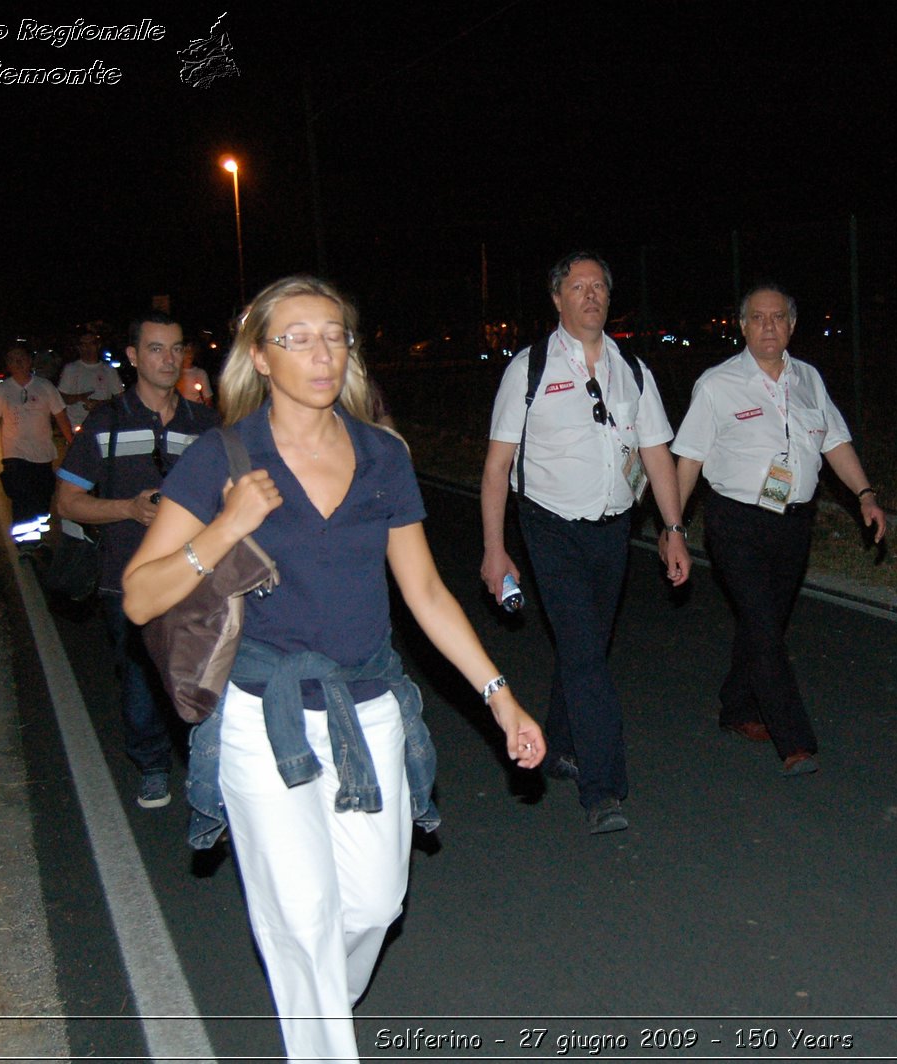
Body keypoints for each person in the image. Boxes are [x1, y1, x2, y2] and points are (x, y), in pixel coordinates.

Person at [122, 275, 544, 1062]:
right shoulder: (221, 455)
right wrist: (225, 526)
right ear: (261, 357)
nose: (322, 353)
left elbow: (423, 591)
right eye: (299, 338)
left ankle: (316, 1010)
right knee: (304, 918)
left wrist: (501, 697)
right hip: (261, 713)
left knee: (373, 907)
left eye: (335, 335)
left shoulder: (383, 455)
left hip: (368, 705)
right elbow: (141, 597)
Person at [480, 251, 691, 834]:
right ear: (557, 298)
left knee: (587, 645)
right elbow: (498, 467)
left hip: (614, 528)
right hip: (548, 524)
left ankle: (562, 743)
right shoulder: (528, 369)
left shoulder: (633, 371)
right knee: (583, 651)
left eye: (599, 286)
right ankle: (603, 789)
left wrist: (673, 531)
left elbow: (656, 454)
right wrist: (496, 550)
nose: (591, 295)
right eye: (579, 286)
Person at [672, 283, 885, 776]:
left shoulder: (809, 379)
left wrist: (865, 495)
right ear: (742, 326)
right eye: (757, 318)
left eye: (778, 318)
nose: (768, 327)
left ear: (792, 325)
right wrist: (674, 526)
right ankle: (795, 741)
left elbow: (835, 442)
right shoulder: (717, 385)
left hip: (793, 524)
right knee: (766, 631)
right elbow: (689, 460)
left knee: (762, 623)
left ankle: (736, 705)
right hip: (736, 522)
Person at [54, 312, 220, 809]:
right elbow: (67, 502)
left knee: (207, 676)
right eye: (155, 349)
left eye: (175, 349)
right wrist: (127, 508)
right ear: (132, 357)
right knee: (142, 680)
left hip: (197, 576)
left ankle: (209, 769)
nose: (167, 360)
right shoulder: (106, 423)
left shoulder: (206, 426)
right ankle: (150, 765)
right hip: (125, 579)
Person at [0, 345, 74, 545]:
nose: (17, 363)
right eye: (12, 360)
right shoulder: (2, 391)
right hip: (15, 455)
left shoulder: (45, 386)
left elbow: (60, 416)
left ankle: (38, 536)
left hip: (43, 454)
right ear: (8, 365)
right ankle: (25, 544)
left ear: (30, 361)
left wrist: (73, 442)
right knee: (21, 498)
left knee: (42, 498)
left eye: (21, 359)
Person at [58, 328, 123, 425]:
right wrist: (80, 398)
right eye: (84, 344)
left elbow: (120, 399)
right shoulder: (71, 369)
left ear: (98, 346)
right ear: (79, 348)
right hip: (78, 424)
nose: (88, 348)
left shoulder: (109, 370)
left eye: (91, 343)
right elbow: (60, 398)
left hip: (103, 424)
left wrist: (100, 404)